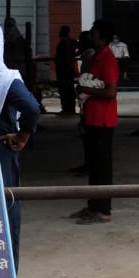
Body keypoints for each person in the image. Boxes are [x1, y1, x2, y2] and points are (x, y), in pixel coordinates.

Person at [0, 18, 41, 271]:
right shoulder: (4, 80)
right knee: (7, 206)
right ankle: (7, 273)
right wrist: (24, 136)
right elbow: (31, 108)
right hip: (2, 152)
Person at [71, 19, 119, 225]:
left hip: (103, 120)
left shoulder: (107, 59)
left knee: (102, 166)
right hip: (93, 118)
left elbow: (110, 91)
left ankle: (103, 209)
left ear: (102, 35)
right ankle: (94, 204)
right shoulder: (98, 57)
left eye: (95, 31)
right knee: (95, 165)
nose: (92, 34)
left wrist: (85, 90)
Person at [54, 25, 78, 116]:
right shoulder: (71, 42)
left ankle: (67, 108)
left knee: (64, 90)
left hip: (64, 70)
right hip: (68, 69)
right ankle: (69, 108)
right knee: (69, 89)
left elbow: (65, 57)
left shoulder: (64, 43)